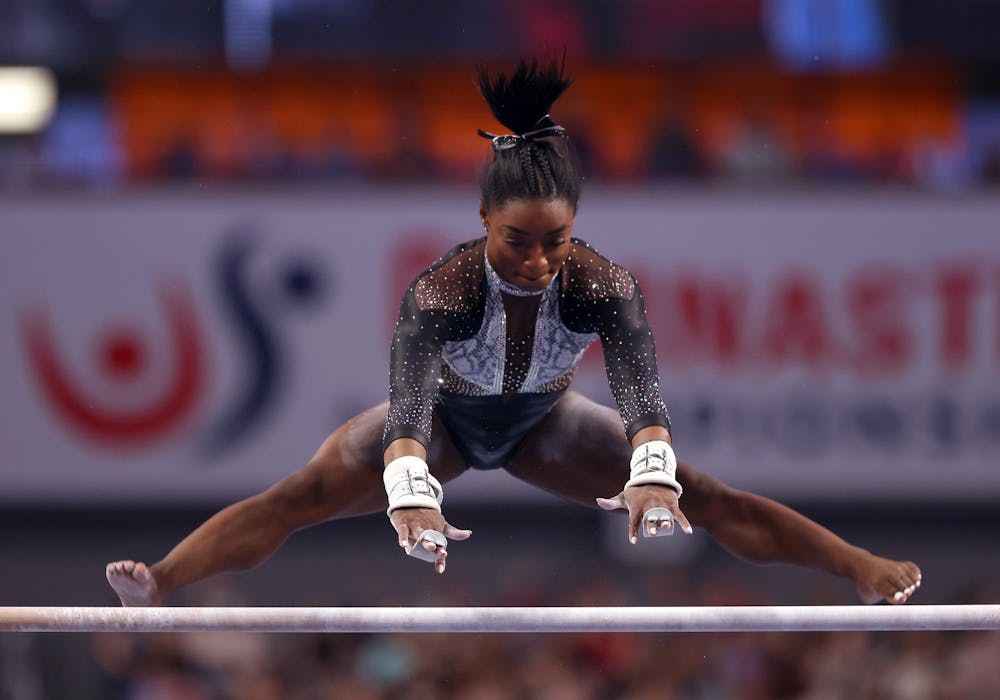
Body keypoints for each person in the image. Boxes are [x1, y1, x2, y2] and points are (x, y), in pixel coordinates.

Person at [107, 58, 921, 607]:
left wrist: (652, 476)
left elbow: (642, 398)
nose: (537, 261)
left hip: (543, 425)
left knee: (705, 496)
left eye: (555, 241)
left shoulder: (605, 284)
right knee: (302, 496)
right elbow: (408, 418)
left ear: (576, 227)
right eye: (517, 240)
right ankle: (163, 581)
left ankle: (860, 570)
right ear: (483, 221)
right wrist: (411, 499)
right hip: (447, 428)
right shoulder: (443, 291)